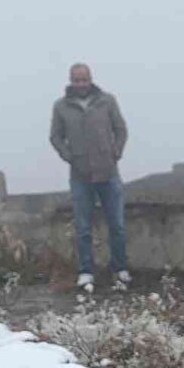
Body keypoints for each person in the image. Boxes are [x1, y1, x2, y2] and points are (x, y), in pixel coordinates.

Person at [49, 63, 130, 290]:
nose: (80, 84)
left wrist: (116, 152)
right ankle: (86, 272)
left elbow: (121, 129)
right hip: (80, 175)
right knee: (83, 227)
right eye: (76, 80)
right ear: (70, 81)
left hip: (108, 172)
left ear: (90, 79)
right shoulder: (61, 107)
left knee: (117, 225)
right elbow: (55, 137)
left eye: (84, 80)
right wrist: (69, 157)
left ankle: (120, 269)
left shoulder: (107, 101)